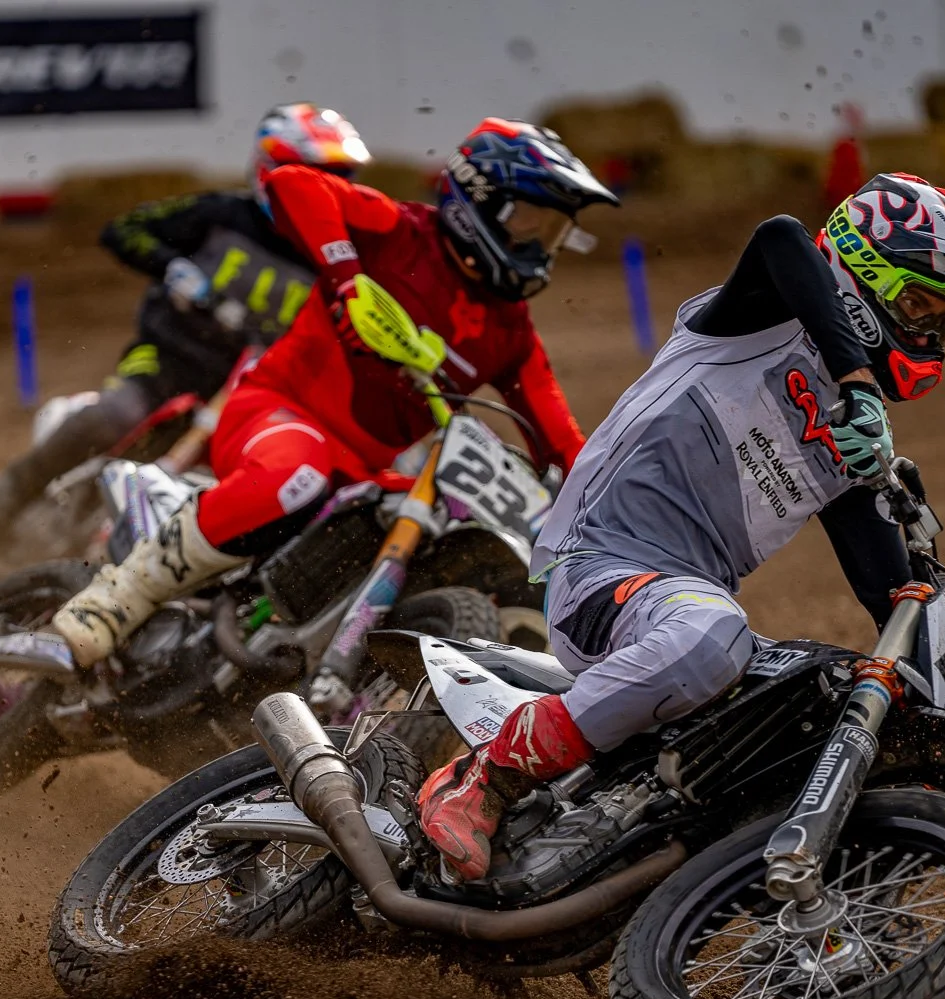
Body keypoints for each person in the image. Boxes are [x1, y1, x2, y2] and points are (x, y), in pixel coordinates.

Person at [415, 172, 945, 999]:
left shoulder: (847, 444)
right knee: (715, 635)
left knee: (849, 704)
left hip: (676, 606)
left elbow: (889, 594)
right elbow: (780, 236)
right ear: (861, 277)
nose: (930, 336)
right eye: (921, 308)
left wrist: (936, 656)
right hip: (601, 569)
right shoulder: (755, 320)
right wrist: (858, 384)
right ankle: (486, 777)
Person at [51, 118, 618, 670]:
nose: (541, 247)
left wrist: (615, 522)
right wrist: (347, 278)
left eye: (554, 232)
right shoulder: (399, 230)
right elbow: (291, 183)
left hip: (360, 473)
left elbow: (566, 444)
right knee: (298, 473)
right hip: (277, 410)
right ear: (480, 202)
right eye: (531, 222)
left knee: (446, 527)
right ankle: (119, 596)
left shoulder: (511, 333)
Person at [0, 103, 373, 546]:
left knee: (277, 477)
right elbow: (125, 229)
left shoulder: (338, 258)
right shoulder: (221, 215)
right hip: (169, 359)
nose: (329, 188)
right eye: (318, 174)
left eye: (341, 176)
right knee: (113, 415)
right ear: (269, 171)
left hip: (258, 393)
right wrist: (175, 268)